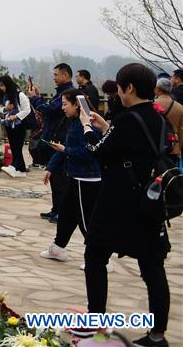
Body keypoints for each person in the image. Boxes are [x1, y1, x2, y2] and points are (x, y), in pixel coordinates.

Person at [80, 64, 171, 347]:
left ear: (129, 88)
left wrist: (87, 130)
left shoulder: (127, 119)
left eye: (119, 87)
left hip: (118, 204)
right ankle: (157, 336)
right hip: (149, 202)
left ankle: (97, 328)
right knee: (153, 268)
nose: (117, 92)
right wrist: (107, 128)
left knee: (95, 257)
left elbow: (99, 153)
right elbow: (134, 146)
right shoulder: (156, 118)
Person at [40, 89, 102, 267]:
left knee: (86, 220)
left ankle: (99, 258)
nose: (62, 108)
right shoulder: (74, 122)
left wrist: (65, 150)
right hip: (74, 177)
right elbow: (66, 147)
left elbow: (89, 153)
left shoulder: (89, 125)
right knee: (66, 214)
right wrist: (51, 167)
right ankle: (57, 247)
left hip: (87, 180)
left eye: (65, 104)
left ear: (77, 105)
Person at [29, 63, 75, 222]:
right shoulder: (61, 93)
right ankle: (56, 209)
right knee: (54, 178)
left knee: (60, 178)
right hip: (54, 137)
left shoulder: (69, 93)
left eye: (56, 75)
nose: (54, 77)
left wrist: (35, 99)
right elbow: (50, 107)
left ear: (66, 75)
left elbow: (49, 110)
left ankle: (61, 212)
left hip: (61, 138)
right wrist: (39, 98)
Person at [0, 75, 32, 176]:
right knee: (13, 146)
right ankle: (20, 169)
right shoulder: (5, 96)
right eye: (0, 86)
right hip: (8, 124)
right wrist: (6, 109)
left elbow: (27, 109)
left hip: (19, 125)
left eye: (3, 85)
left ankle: (15, 167)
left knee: (17, 146)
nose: (1, 88)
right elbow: (0, 108)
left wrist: (16, 116)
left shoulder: (19, 95)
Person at [155, 77, 183, 155]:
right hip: (173, 146)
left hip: (156, 146)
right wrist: (179, 148)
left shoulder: (152, 105)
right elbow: (181, 130)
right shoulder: (180, 107)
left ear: (157, 89)